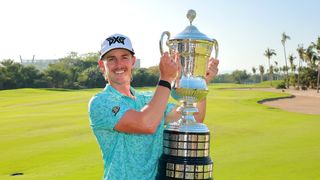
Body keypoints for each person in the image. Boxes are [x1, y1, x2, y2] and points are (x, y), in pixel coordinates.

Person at [88, 33, 219, 180]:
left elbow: (195, 117)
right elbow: (146, 123)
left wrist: (201, 83)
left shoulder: (149, 99)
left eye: (124, 57)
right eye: (111, 59)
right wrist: (166, 78)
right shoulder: (100, 102)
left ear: (132, 61)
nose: (119, 64)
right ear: (101, 66)